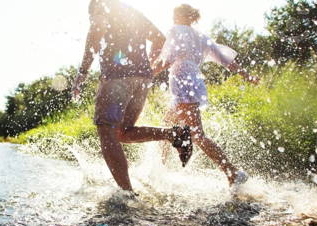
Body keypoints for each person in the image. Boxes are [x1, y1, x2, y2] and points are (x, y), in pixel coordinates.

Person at [73, 0, 192, 192]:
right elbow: (160, 39)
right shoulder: (132, 11)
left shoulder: (101, 4)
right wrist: (147, 68)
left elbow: (96, 31)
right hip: (142, 79)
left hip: (116, 77)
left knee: (107, 131)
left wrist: (82, 73)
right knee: (123, 131)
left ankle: (127, 194)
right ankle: (173, 133)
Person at [153, 4, 259, 188]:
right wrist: (246, 75)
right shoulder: (201, 37)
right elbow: (226, 61)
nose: (172, 19)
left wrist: (147, 74)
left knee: (197, 135)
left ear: (179, 16)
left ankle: (232, 172)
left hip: (183, 83)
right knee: (166, 125)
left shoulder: (176, 30)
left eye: (174, 15)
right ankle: (159, 172)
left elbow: (167, 59)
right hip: (191, 82)